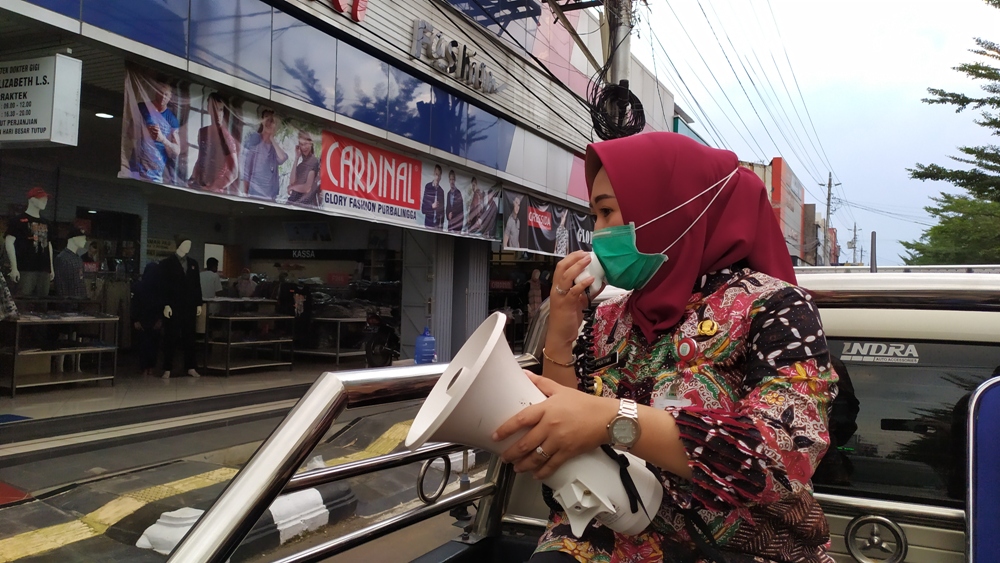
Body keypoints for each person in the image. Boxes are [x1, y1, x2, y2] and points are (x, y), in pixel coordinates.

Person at [493, 133, 838, 563]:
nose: (598, 232)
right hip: (600, 537)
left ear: (670, 208)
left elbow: (784, 454)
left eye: (607, 212)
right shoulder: (608, 317)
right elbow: (568, 428)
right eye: (594, 215)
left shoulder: (773, 307)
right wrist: (560, 334)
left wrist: (614, 420)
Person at [129, 79, 181, 183]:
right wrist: (145, 132)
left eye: (166, 94)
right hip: (136, 167)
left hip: (156, 172)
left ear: (170, 97)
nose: (163, 97)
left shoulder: (172, 119)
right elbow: (129, 132)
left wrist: (163, 139)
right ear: (155, 92)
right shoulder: (142, 107)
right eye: (160, 92)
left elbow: (177, 151)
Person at [189, 93, 240, 194]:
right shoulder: (203, 132)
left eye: (220, 110)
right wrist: (192, 178)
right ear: (208, 109)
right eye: (214, 109)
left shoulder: (225, 137)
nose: (217, 113)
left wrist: (213, 187)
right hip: (199, 186)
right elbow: (201, 158)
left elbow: (234, 172)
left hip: (214, 191)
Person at [241, 108, 288, 201]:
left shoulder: (274, 147)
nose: (269, 122)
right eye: (266, 118)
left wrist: (271, 138)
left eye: (272, 120)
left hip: (270, 195)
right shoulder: (255, 138)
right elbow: (247, 168)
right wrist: (246, 192)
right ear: (262, 120)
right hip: (254, 193)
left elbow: (282, 158)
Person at [132, 262, 163, 376]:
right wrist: (160, 319)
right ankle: (151, 367)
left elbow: (135, 304)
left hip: (142, 319)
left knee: (143, 345)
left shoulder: (138, 286)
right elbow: (162, 305)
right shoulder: (160, 287)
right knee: (154, 345)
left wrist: (135, 320)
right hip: (154, 320)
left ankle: (144, 367)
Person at [287, 130, 321, 206]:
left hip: (304, 204)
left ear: (311, 144)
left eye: (305, 144)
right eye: (301, 144)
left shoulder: (313, 161)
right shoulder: (300, 166)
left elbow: (307, 188)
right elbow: (292, 182)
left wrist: (292, 187)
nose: (303, 147)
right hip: (294, 203)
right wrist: (296, 158)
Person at [421, 164, 445, 229]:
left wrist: (441, 228)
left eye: (439, 175)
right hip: (428, 225)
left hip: (437, 227)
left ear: (440, 177)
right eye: (436, 174)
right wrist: (431, 206)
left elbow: (442, 212)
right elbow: (423, 209)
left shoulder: (441, 191)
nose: (437, 177)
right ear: (434, 174)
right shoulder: (428, 187)